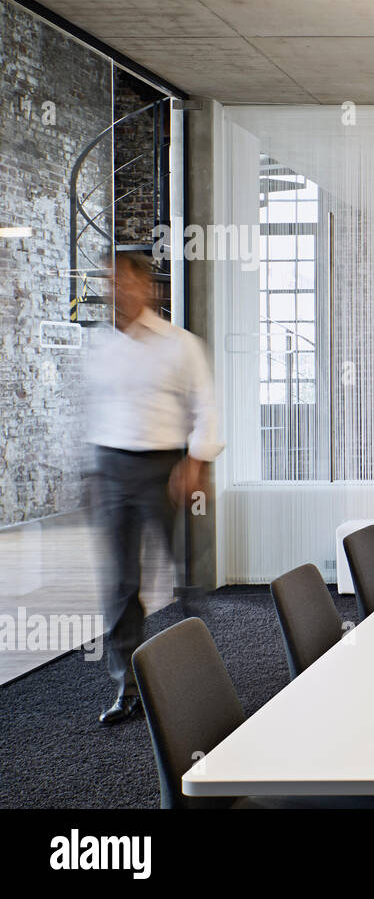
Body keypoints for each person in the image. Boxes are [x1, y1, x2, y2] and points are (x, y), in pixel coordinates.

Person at [86, 251, 222, 725]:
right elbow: (92, 410)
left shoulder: (179, 344)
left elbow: (207, 406)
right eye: (109, 281)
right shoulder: (101, 346)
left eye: (123, 280)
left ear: (148, 288)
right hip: (110, 466)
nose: (115, 289)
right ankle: (127, 688)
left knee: (186, 575)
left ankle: (196, 679)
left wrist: (196, 461)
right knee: (121, 583)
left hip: (167, 468)